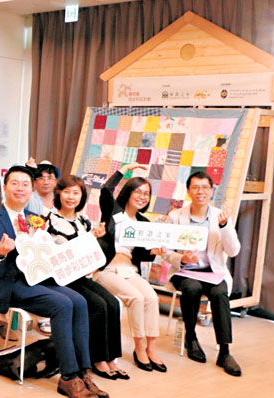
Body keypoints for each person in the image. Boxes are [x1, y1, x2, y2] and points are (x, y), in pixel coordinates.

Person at [0, 165, 106, 398]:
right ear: (4, 188)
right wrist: (0, 253)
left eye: (25, 184)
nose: (20, 188)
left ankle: (84, 372)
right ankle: (68, 377)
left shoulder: (33, 220)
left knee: (79, 300)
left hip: (34, 279)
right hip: (6, 285)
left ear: (31, 190)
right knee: (63, 304)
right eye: (14, 183)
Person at [47, 176, 126, 380]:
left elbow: (88, 251)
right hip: (63, 279)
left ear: (82, 196)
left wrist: (95, 237)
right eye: (67, 192)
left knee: (113, 303)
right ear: (58, 194)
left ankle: (110, 359)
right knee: (98, 305)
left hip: (81, 277)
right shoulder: (50, 221)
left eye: (76, 193)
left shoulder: (84, 221)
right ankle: (97, 359)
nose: (71, 197)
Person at [163, 171, 242, 376]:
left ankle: (224, 351)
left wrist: (224, 227)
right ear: (188, 191)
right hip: (185, 271)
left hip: (213, 271)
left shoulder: (220, 216)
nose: (201, 192)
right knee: (192, 287)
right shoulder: (176, 216)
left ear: (211, 191)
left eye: (205, 188)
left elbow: (233, 251)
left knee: (219, 293)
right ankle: (191, 336)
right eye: (195, 187)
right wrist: (181, 259)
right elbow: (165, 251)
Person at [94, 163, 165, 373]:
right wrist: (124, 169)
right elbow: (106, 189)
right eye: (138, 191)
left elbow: (141, 255)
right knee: (136, 298)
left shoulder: (143, 221)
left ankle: (152, 347)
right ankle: (139, 347)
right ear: (128, 192)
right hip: (106, 269)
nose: (142, 197)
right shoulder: (113, 210)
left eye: (147, 194)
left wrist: (155, 252)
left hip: (129, 269)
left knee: (152, 298)